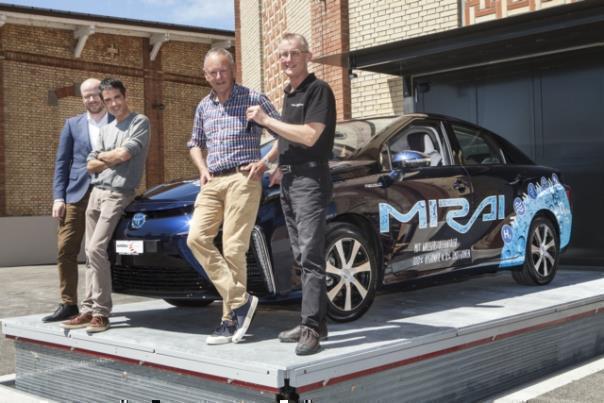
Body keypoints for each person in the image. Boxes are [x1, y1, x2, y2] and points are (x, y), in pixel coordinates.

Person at [246, 33, 336, 355]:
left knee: (310, 257)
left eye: (293, 54)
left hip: (310, 181)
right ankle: (313, 321)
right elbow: (289, 137)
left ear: (307, 56)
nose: (287, 60)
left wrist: (267, 120)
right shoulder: (289, 92)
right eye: (282, 55)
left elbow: (310, 136)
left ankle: (311, 328)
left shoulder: (318, 91)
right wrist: (268, 159)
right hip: (289, 181)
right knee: (300, 256)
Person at [186, 48, 280, 345]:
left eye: (222, 70)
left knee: (233, 248)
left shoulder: (254, 98)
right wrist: (201, 168)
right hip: (213, 180)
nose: (218, 76)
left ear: (233, 69)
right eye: (212, 72)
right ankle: (241, 301)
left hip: (244, 177)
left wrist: (265, 162)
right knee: (196, 239)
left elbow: (282, 132)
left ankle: (229, 320)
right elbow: (194, 143)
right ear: (205, 75)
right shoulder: (204, 106)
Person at [61, 78, 150, 333]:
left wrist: (105, 158)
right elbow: (89, 165)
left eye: (116, 98)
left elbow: (125, 155)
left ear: (125, 95)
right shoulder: (106, 130)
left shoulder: (139, 122)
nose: (113, 104)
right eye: (107, 100)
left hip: (119, 193)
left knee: (97, 248)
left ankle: (102, 312)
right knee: (89, 252)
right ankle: (88, 309)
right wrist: (108, 158)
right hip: (97, 194)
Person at [43, 78, 113, 323]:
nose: (91, 100)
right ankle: (68, 303)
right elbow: (62, 163)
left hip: (106, 192)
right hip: (76, 194)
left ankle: (96, 306)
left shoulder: (118, 121)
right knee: (66, 250)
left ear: (103, 94)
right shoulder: (72, 124)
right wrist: (58, 197)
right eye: (86, 96)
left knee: (97, 252)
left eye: (95, 94)